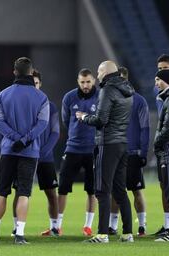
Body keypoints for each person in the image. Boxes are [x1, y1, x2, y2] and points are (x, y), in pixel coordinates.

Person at [0, 57, 49, 244]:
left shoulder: (4, 95)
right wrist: (25, 140)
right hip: (29, 151)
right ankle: (19, 234)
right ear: (31, 73)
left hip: (8, 150)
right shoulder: (41, 97)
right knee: (23, 193)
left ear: (14, 72)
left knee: (2, 192)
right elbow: (42, 123)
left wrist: (13, 138)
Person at [77, 60, 134, 243]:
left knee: (102, 191)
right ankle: (127, 233)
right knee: (120, 191)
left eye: (99, 71)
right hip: (122, 143)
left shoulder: (108, 90)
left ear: (105, 72)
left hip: (107, 144)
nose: (98, 74)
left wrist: (84, 117)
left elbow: (101, 120)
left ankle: (102, 234)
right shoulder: (127, 89)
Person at [12, 69, 60, 237]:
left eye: (37, 83)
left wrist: (43, 152)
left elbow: (55, 132)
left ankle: (55, 227)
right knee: (20, 192)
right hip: (25, 155)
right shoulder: (21, 106)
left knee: (51, 193)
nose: (34, 86)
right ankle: (16, 227)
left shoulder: (50, 106)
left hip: (44, 157)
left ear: (40, 85)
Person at [109, 67, 149, 237]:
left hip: (132, 152)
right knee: (115, 190)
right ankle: (112, 226)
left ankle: (142, 226)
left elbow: (145, 128)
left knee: (136, 190)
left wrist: (144, 153)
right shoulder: (111, 99)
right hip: (116, 150)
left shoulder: (139, 101)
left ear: (126, 79)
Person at [58, 69, 98, 236]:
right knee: (62, 188)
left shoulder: (101, 97)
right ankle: (56, 225)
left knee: (92, 189)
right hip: (73, 147)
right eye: (82, 82)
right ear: (78, 81)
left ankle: (88, 226)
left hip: (93, 149)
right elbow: (66, 120)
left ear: (93, 80)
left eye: (88, 82)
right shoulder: (69, 97)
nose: (85, 85)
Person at [154, 54, 169, 238]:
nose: (161, 72)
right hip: (163, 148)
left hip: (165, 144)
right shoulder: (160, 94)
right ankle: (167, 225)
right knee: (164, 186)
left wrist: (158, 140)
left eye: (165, 69)